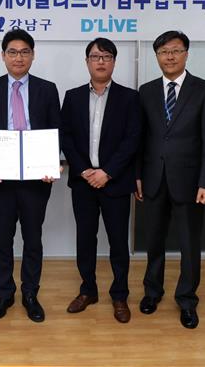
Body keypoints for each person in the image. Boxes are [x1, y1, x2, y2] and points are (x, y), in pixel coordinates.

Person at [135, 30, 205, 329]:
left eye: (175, 50)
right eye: (163, 52)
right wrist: (138, 175)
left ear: (186, 53)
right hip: (153, 179)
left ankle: (186, 300)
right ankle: (152, 292)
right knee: (153, 241)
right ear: (156, 56)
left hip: (190, 182)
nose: (169, 57)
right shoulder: (146, 91)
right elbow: (141, 138)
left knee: (189, 244)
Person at [0, 29, 60, 322]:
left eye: (25, 52)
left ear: (33, 55)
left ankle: (30, 293)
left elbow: (56, 130)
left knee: (33, 238)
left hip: (37, 179)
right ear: (3, 56)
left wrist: (52, 163)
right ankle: (4, 293)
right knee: (3, 239)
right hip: (0, 180)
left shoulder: (47, 89)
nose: (18, 58)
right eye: (12, 52)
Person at [59, 37, 140, 323]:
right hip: (83, 182)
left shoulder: (130, 98)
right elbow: (66, 136)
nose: (101, 61)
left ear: (114, 62)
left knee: (118, 241)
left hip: (114, 181)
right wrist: (83, 170)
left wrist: (107, 172)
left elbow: (133, 139)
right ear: (87, 62)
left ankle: (119, 295)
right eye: (95, 56)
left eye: (106, 56)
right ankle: (88, 290)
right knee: (85, 239)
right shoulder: (72, 97)